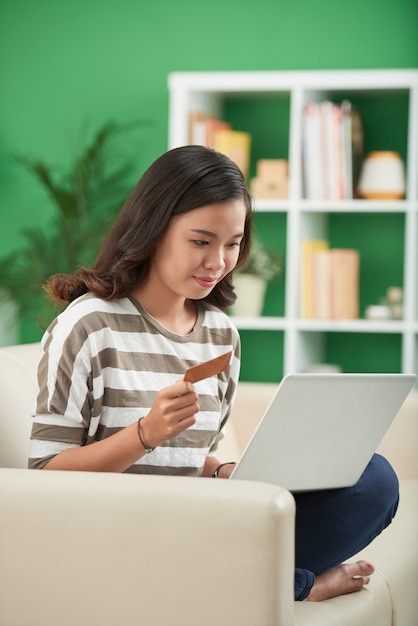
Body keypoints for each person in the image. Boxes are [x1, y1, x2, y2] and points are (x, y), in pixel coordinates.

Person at [28, 145, 399, 602]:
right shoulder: (87, 326)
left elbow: (182, 463)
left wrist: (226, 472)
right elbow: (44, 476)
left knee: (375, 480)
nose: (218, 262)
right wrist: (145, 433)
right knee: (216, 552)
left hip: (201, 528)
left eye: (233, 243)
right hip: (120, 538)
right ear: (154, 228)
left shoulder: (221, 335)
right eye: (200, 241)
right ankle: (298, 585)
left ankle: (256, 579)